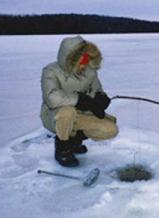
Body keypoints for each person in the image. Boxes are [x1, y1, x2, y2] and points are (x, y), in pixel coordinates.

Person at [40, 35, 119, 167]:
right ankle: (63, 147)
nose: (85, 64)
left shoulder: (90, 71)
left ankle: (74, 140)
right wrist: (79, 99)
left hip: (81, 115)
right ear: (72, 59)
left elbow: (96, 89)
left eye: (87, 59)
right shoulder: (50, 71)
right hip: (54, 116)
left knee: (110, 129)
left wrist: (100, 99)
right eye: (83, 60)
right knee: (67, 112)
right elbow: (51, 98)